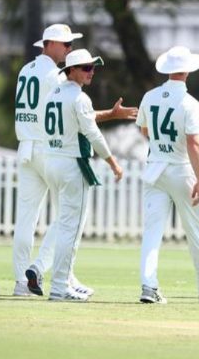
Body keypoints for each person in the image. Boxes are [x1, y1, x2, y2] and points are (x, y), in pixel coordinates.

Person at [13, 24, 136, 297]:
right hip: (51, 149)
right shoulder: (56, 78)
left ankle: (25, 281)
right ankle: (50, 274)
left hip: (26, 147)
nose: (68, 49)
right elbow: (78, 114)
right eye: (67, 45)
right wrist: (112, 116)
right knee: (70, 218)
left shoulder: (26, 70)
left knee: (28, 220)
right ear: (52, 44)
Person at [136, 46, 199, 304]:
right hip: (180, 168)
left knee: (152, 232)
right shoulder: (189, 103)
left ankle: (148, 286)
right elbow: (194, 143)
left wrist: (161, 145)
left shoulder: (149, 96)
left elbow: (144, 131)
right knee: (195, 230)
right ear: (186, 71)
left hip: (155, 167)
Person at [41, 48, 123, 301]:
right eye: (86, 68)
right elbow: (93, 133)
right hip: (70, 164)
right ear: (72, 70)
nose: (91, 72)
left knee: (66, 225)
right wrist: (112, 161)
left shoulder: (53, 94)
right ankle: (59, 286)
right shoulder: (79, 98)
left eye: (93, 68)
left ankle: (65, 280)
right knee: (70, 228)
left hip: (52, 162)